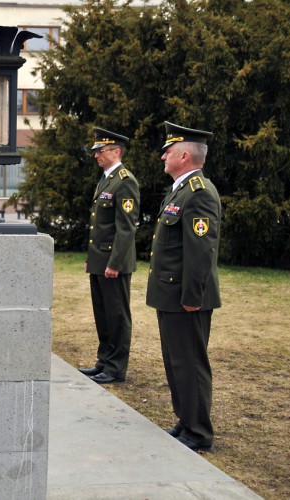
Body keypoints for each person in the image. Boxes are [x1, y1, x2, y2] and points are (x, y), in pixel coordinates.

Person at [147, 121, 221, 452]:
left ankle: (199, 431)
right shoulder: (181, 189)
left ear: (185, 155)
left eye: (169, 151)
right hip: (170, 294)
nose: (163, 155)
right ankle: (185, 420)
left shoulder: (199, 193)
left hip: (186, 297)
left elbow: (201, 251)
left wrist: (192, 296)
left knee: (189, 362)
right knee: (176, 361)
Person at [80, 128, 140, 384]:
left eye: (100, 150)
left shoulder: (125, 181)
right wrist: (92, 259)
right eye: (95, 150)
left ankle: (116, 367)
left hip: (113, 263)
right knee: (102, 314)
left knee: (116, 316)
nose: (96, 155)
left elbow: (125, 227)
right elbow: (99, 226)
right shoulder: (106, 179)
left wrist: (114, 262)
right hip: (99, 260)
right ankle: (103, 360)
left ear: (116, 151)